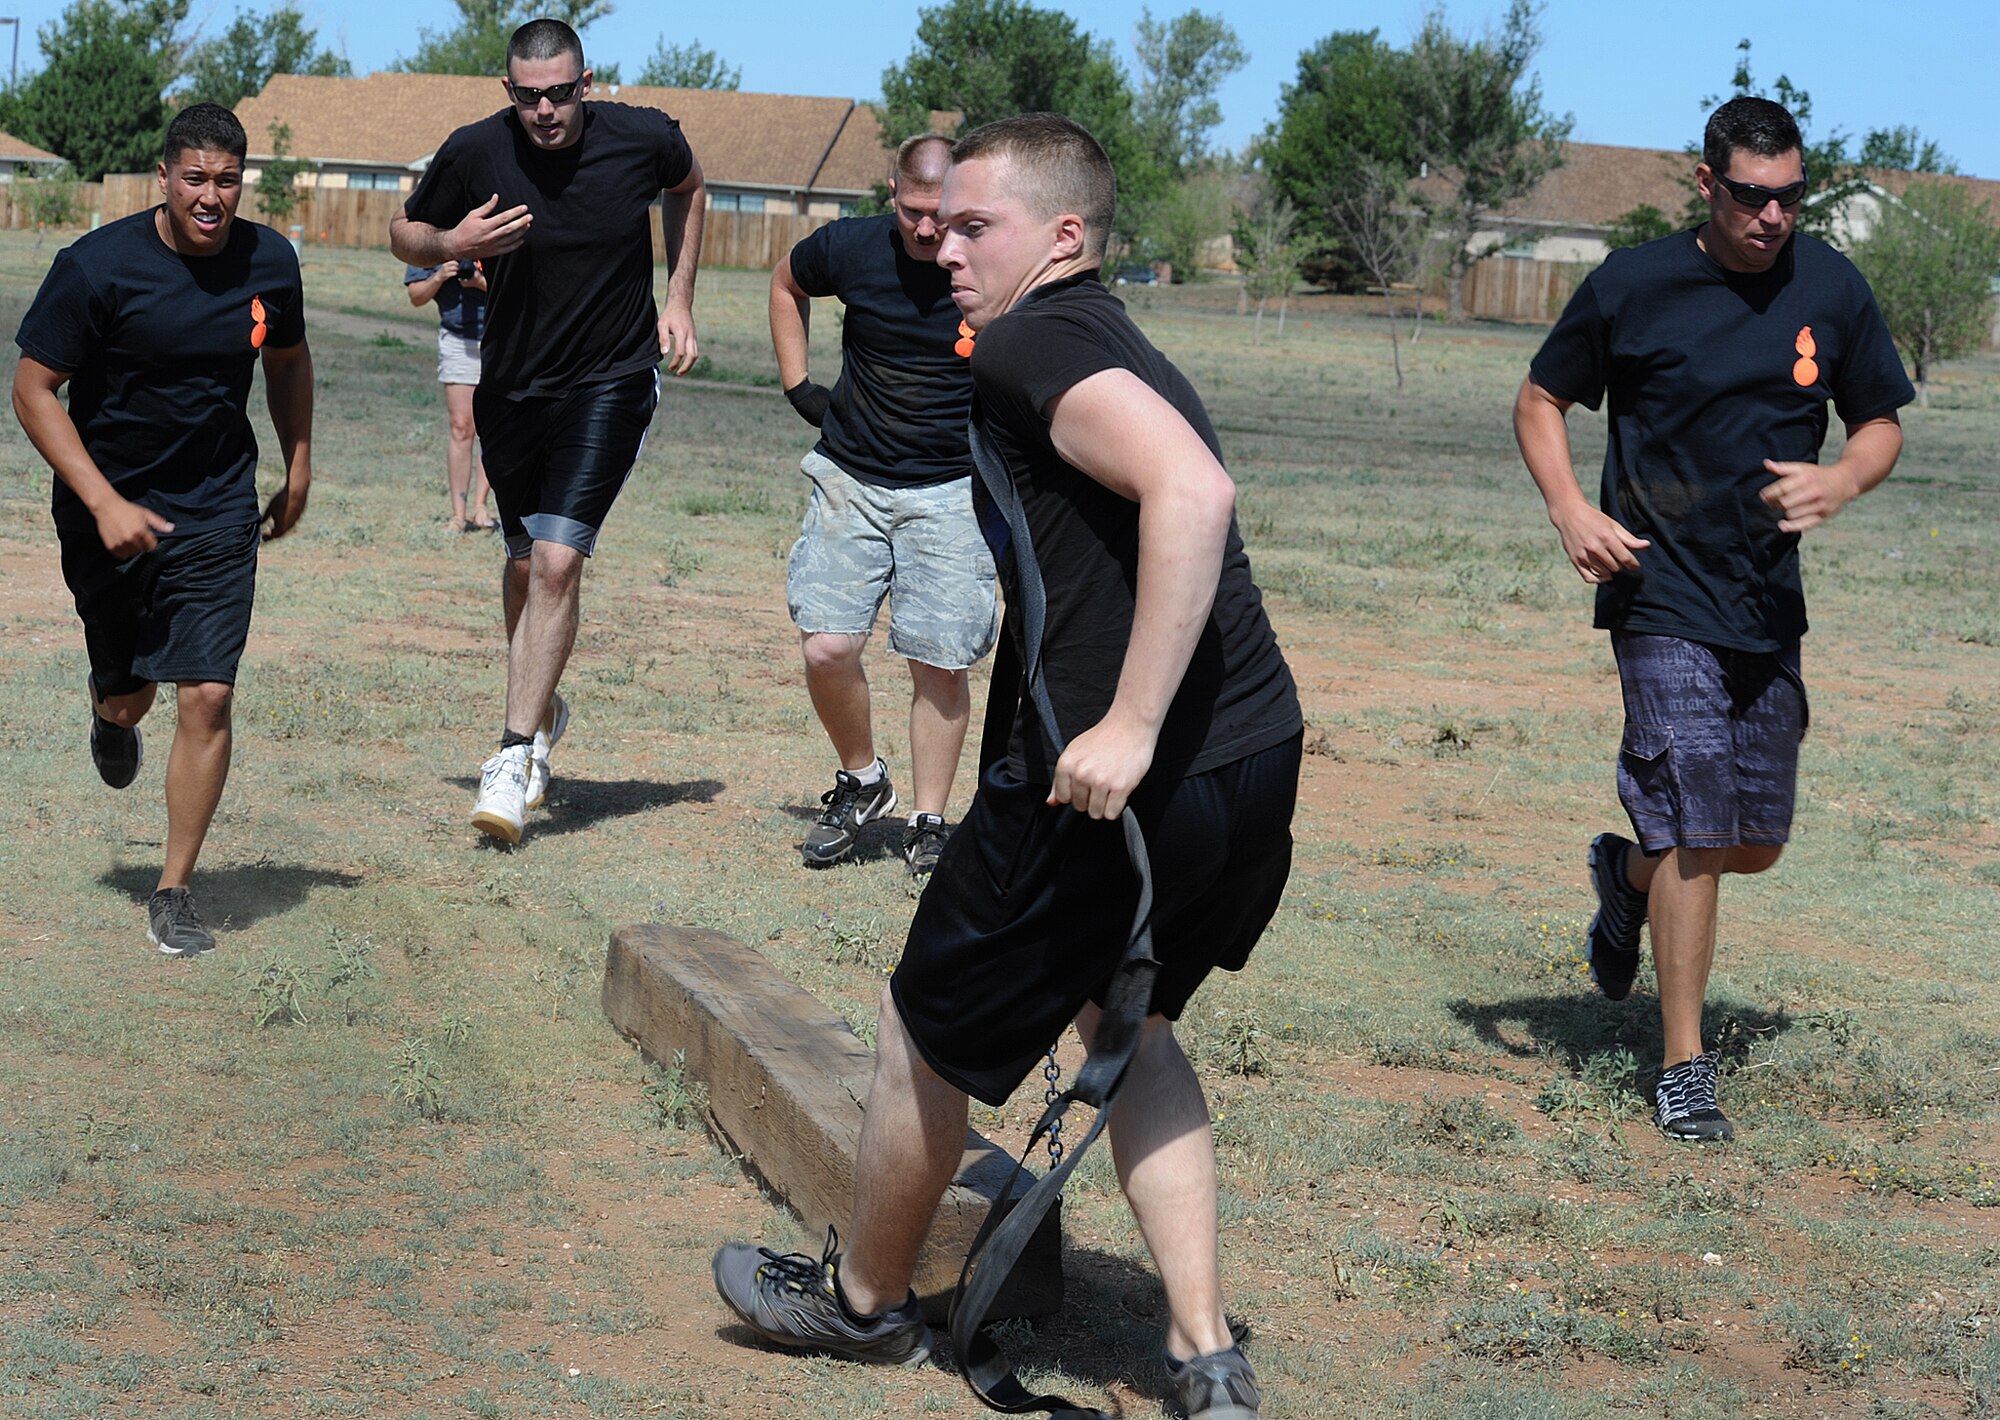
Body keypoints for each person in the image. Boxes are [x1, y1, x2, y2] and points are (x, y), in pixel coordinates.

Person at [713, 114, 1301, 1420]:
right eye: (946, 222)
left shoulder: (1030, 341)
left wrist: (1133, 724)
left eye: (980, 226)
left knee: (925, 1028)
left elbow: (1195, 496)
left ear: (1066, 237)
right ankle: (1207, 1362)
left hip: (1111, 784)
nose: (952, 248)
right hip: (1252, 763)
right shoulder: (1103, 338)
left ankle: (864, 1307)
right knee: (1126, 1026)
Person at [1513, 96, 1913, 1142]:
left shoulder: (1829, 285)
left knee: (1750, 840)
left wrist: (1841, 482)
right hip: (1656, 585)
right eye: (1749, 196)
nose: (1770, 216)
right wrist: (1569, 509)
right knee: (1694, 821)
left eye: (1787, 197)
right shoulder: (1633, 286)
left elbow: (1877, 422)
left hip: (1762, 598)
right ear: (1706, 185)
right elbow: (1538, 399)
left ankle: (1620, 872)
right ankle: (1682, 1067)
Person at [389, 16, 705, 845]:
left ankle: (509, 753)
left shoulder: (644, 138)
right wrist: (449, 242)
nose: (547, 111)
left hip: (612, 378)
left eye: (561, 93)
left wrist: (677, 300)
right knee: (526, 565)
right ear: (509, 93)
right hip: (513, 385)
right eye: (530, 97)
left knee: (560, 559)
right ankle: (540, 711)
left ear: (586, 83)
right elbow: (404, 234)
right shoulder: (475, 150)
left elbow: (690, 187)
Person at [13, 102, 314, 958]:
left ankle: (175, 889)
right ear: (166, 178)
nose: (211, 196)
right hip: (105, 507)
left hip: (217, 504)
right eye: (196, 179)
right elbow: (34, 389)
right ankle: (111, 716)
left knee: (208, 692)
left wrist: (297, 464)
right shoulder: (96, 268)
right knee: (130, 690)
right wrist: (104, 501)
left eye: (227, 180)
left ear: (242, 181)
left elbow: (287, 361)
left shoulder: (271, 261)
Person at [771, 133, 997, 888]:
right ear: (891, 192)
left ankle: (928, 823)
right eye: (913, 212)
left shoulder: (991, 259)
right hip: (851, 477)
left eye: (943, 215)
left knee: (940, 659)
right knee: (827, 647)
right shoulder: (851, 246)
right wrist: (800, 385)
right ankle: (863, 780)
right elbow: (785, 282)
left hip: (951, 489)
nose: (928, 231)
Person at [404, 256, 494, 530]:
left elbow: (521, 290)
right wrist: (440, 276)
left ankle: (481, 506)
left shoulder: (496, 229)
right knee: (460, 426)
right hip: (456, 339)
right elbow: (416, 297)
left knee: (490, 427)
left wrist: (480, 283)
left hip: (498, 338)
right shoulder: (435, 234)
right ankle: (458, 514)